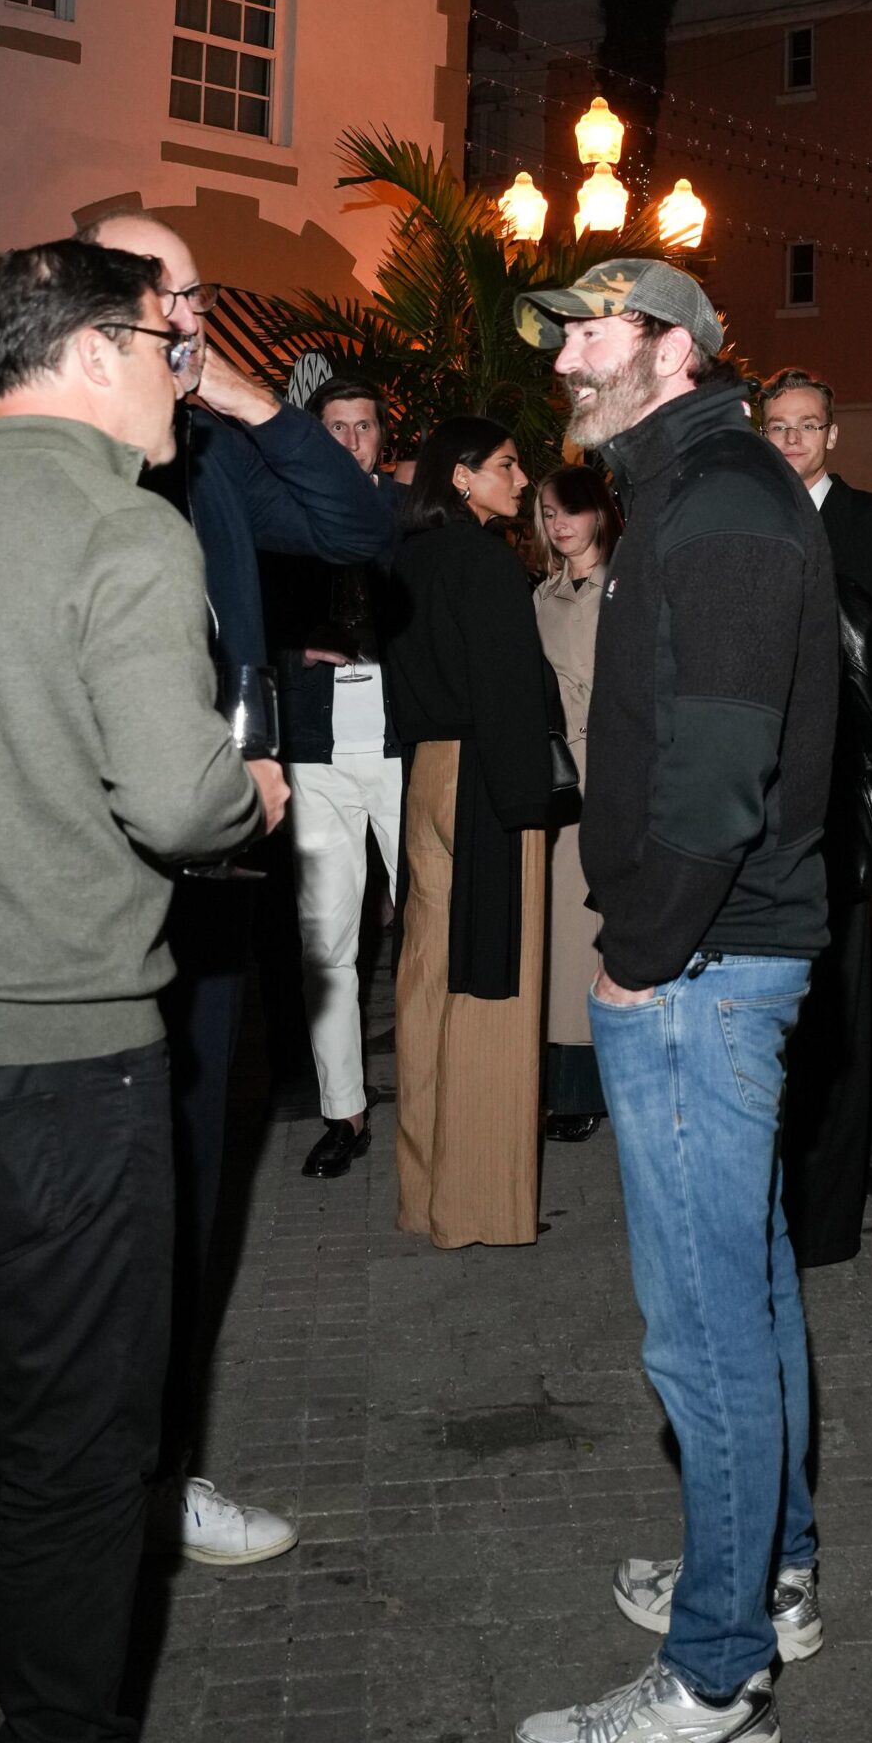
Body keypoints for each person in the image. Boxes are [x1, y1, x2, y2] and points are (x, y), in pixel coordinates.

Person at [0, 240, 284, 1743]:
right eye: (167, 339)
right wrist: (255, 792)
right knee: (79, 1480)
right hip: (63, 1067)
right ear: (85, 352)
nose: (183, 372)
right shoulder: (118, 531)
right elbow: (177, 799)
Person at [509, 261, 837, 1743]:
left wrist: (639, 957)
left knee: (701, 1334)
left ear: (680, 349)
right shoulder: (690, 490)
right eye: (562, 330)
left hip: (702, 967)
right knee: (746, 1295)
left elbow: (714, 780)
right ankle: (766, 1581)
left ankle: (717, 1680)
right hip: (716, 959)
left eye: (597, 326)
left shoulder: (720, 506)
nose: (569, 353)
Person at [81, 212, 391, 1564]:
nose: (195, 314)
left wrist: (247, 393)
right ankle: (14, 1537)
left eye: (202, 295)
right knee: (65, 1216)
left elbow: (355, 518)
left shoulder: (207, 449)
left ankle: (162, 1469)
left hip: (211, 862)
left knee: (197, 1178)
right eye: (174, 297)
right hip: (80, 882)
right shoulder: (55, 460)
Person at [759, 368, 872, 1242]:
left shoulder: (871, 522)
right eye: (778, 426)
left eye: (807, 426)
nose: (792, 439)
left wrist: (849, 635)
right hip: (774, 778)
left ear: (832, 434)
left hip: (847, 781)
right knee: (841, 971)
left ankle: (860, 1140)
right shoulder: (756, 521)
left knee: (844, 968)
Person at [382, 420, 549, 1249]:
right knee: (493, 983)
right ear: (460, 477)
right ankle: (480, 1205)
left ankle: (420, 1193)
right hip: (490, 781)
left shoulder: (408, 560)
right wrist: (538, 802)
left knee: (425, 977)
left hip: (426, 776)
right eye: (508, 465)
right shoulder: (488, 564)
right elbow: (512, 694)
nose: (521, 481)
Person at [268, 376, 405, 1181]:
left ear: (382, 438)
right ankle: (343, 1112)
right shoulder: (282, 516)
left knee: (428, 930)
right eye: (337, 428)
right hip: (317, 753)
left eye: (363, 427)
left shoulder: (404, 513)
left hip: (398, 748)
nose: (351, 441)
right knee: (327, 945)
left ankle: (438, 1094)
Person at [532, 465, 621, 1142]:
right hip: (568, 780)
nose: (561, 523)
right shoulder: (540, 599)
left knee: (618, 925)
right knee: (568, 936)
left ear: (599, 513)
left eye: (572, 509)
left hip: (622, 775)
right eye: (548, 511)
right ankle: (575, 1087)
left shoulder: (632, 586)